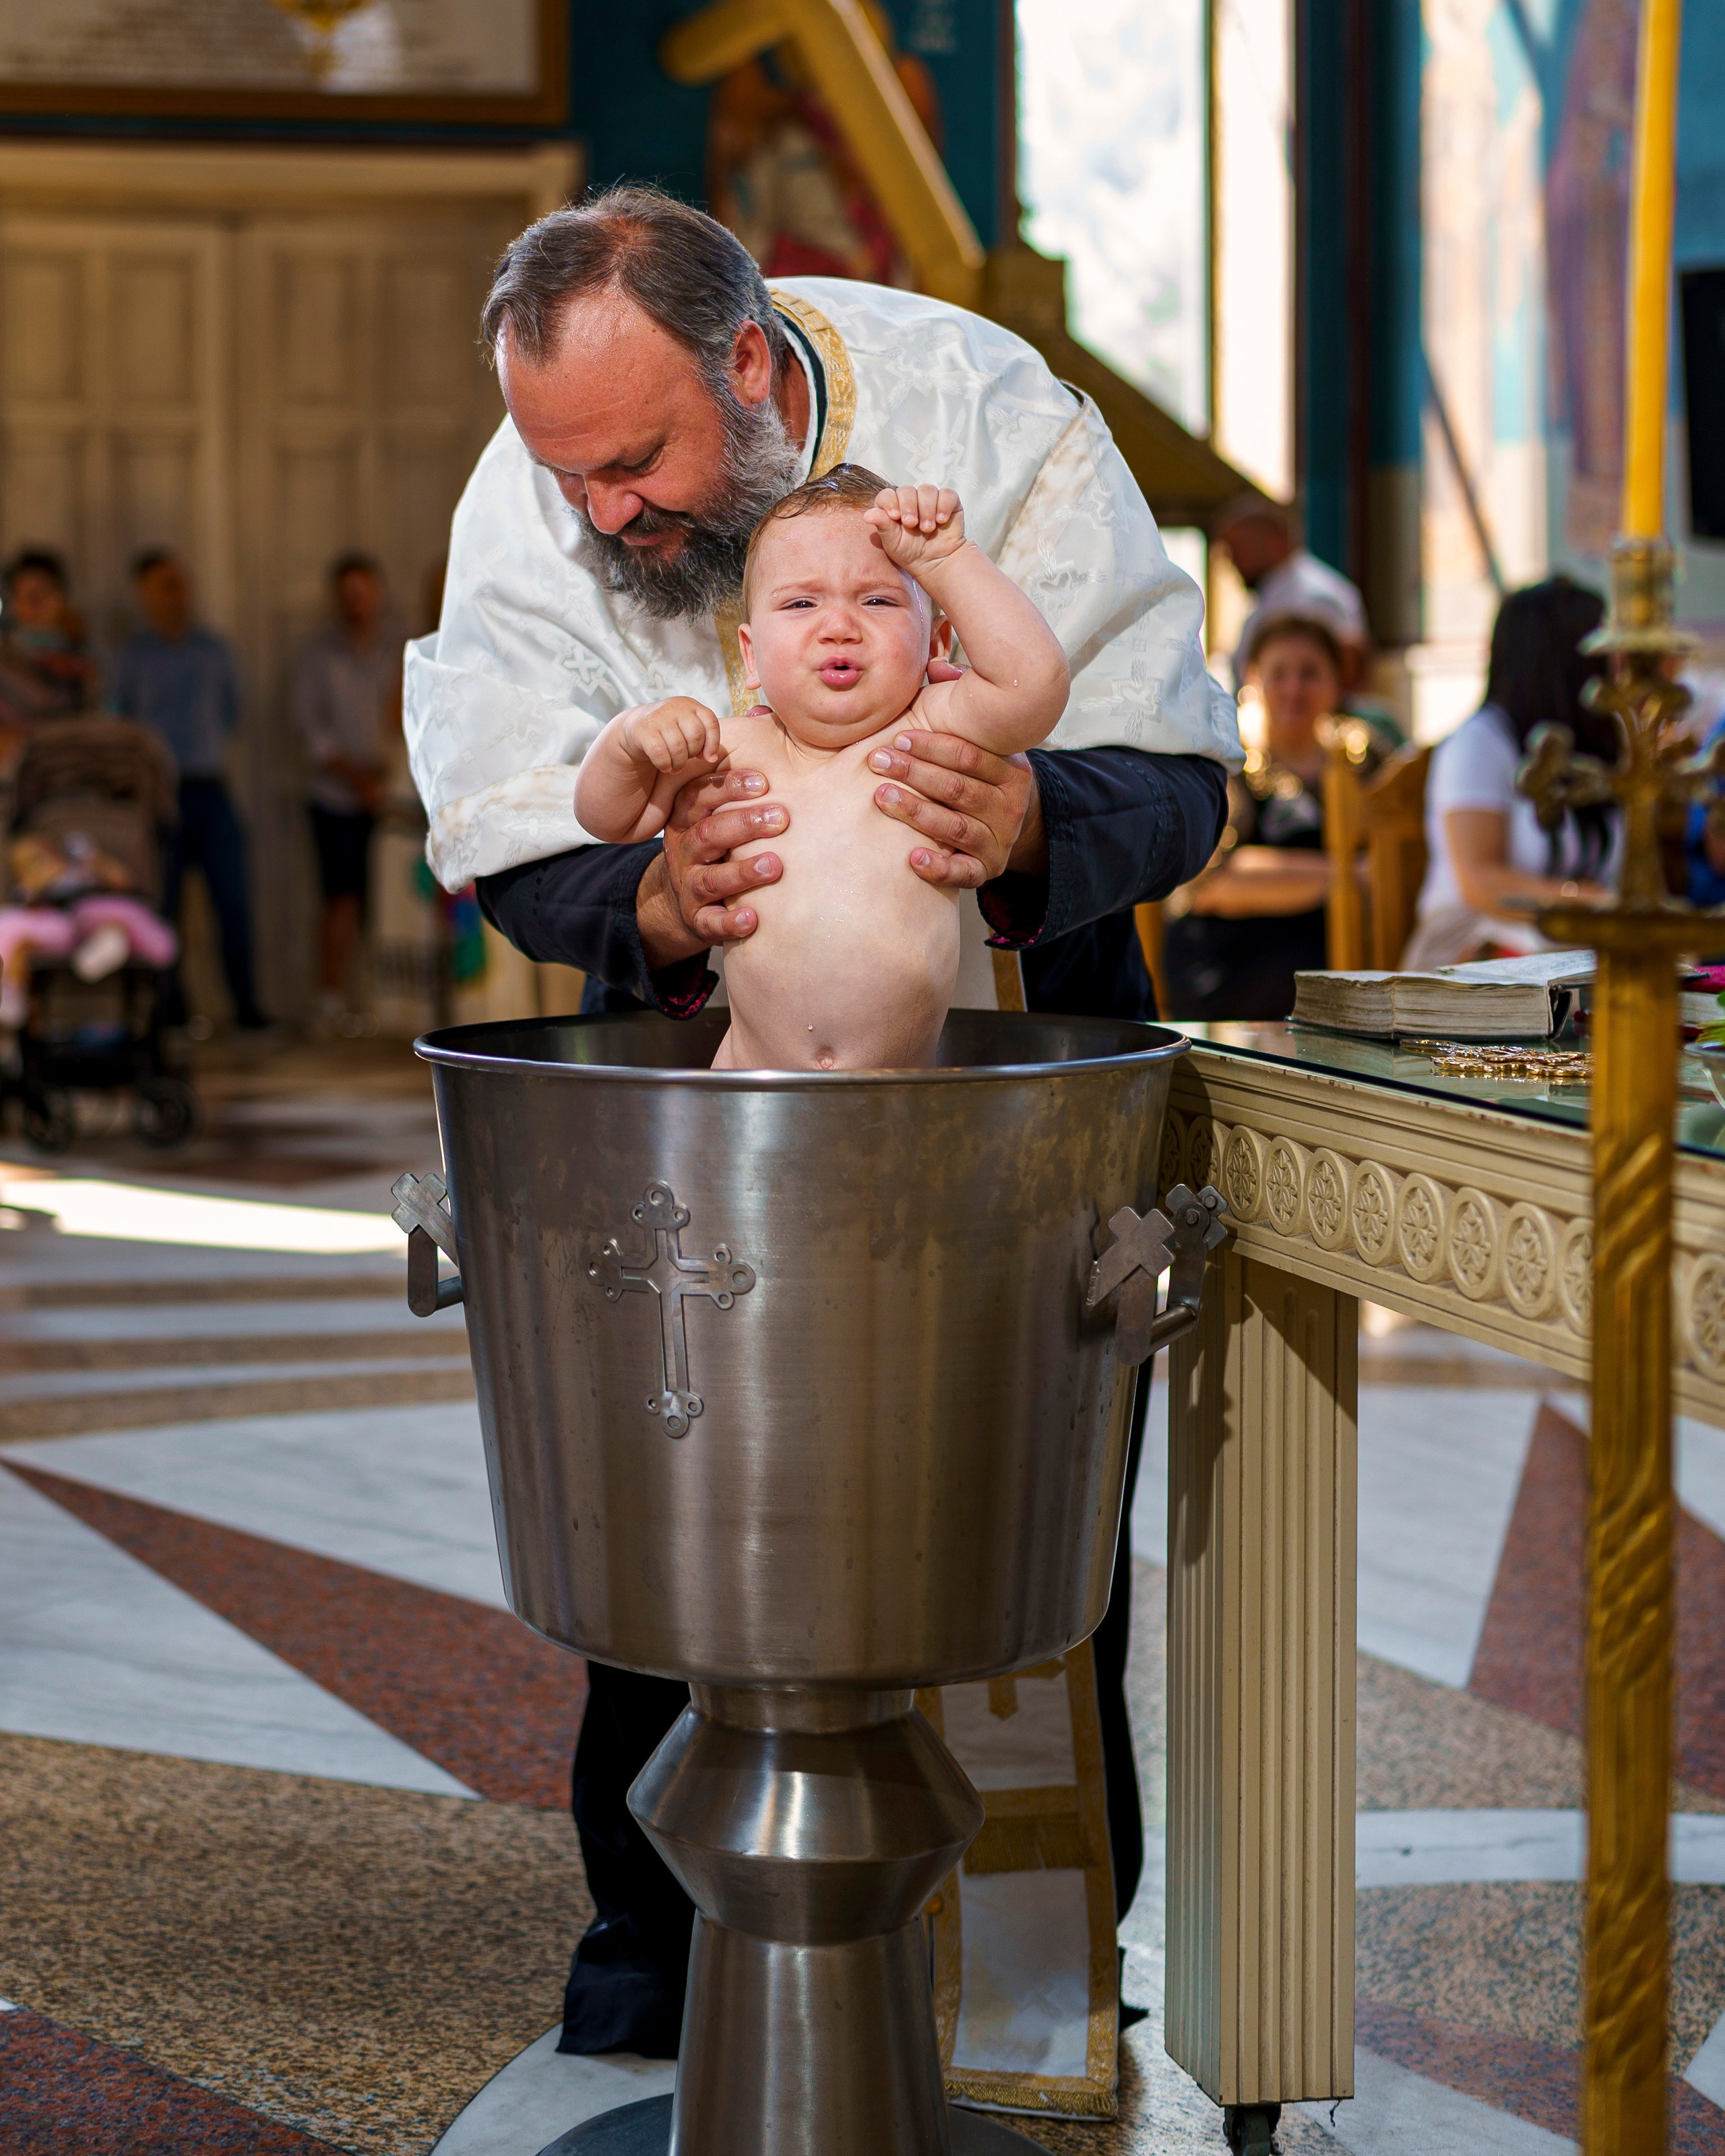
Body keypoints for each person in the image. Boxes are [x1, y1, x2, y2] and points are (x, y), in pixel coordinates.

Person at [403, 185, 1240, 2063]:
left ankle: (1028, 1981)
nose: (603, 513)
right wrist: (650, 907)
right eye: (573, 477)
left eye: (636, 463)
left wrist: (1024, 825)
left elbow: (1179, 774)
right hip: (724, 1095)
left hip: (1003, 1080)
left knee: (1013, 1514)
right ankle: (671, 1949)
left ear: (755, 365)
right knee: (683, 1497)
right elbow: (506, 810)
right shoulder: (537, 487)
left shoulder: (985, 411)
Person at [576, 468, 1069, 1068]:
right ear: (752, 656)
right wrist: (629, 737)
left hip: (900, 1097)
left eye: (878, 600)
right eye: (802, 602)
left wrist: (947, 558)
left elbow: (1034, 687)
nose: (838, 627)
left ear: (937, 646)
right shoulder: (729, 750)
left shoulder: (930, 731)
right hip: (750, 1089)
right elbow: (607, 817)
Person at [1162, 612, 1390, 1019]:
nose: (1294, 689)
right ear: (1252, 679)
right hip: (1238, 969)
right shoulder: (1228, 762)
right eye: (1279, 673)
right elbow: (1212, 881)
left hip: (1343, 966)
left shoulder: (1364, 755)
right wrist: (1349, 876)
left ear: (1337, 682)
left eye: (1310, 673)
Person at [1404, 577, 1617, 970]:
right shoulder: (1479, 743)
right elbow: (1480, 882)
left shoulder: (1603, 747)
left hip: (1577, 947)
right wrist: (1589, 904)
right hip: (1471, 953)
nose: (1616, 663)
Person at [113, 551, 268, 1031]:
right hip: (160, 796)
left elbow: (232, 715)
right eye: (165, 586)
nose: (177, 595)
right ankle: (171, 1011)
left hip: (211, 787)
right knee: (164, 907)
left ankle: (247, 1009)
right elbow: (123, 724)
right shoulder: (132, 657)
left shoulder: (213, 650)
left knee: (233, 901)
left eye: (181, 584)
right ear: (144, 595)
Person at [291, 554, 399, 1028]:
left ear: (376, 594)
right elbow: (311, 731)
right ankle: (331, 1001)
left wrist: (386, 775)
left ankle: (385, 1002)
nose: (356, 603)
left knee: (391, 899)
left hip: (391, 796)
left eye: (363, 592)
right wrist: (356, 777)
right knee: (341, 898)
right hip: (335, 797)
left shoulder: (400, 649)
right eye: (347, 594)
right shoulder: (318, 656)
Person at [1216, 498, 1369, 695]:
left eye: (1237, 548)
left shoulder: (1316, 596)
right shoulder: (1270, 594)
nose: (1231, 561)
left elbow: (1347, 676)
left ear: (1275, 541)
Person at [0, 550, 96, 743]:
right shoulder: (5, 659)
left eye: (45, 593)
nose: (37, 605)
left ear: (63, 597)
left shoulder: (82, 659)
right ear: (14, 602)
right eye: (29, 596)